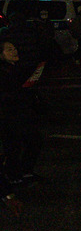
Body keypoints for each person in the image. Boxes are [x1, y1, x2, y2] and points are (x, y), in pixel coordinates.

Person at [0, 40, 44, 185]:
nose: (14, 51)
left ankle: (22, 172)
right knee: (15, 145)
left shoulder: (15, 68)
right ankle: (14, 176)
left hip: (20, 112)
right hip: (10, 115)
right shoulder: (4, 72)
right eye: (9, 50)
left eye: (14, 48)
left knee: (30, 141)